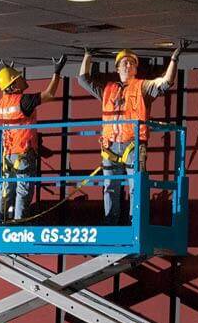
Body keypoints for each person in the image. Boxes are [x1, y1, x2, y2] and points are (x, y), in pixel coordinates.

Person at [77, 43, 184, 224]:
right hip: (110, 147)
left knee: (136, 187)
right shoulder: (108, 90)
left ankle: (136, 225)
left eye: (132, 63)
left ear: (136, 68)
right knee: (110, 187)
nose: (128, 65)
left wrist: (174, 59)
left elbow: (166, 82)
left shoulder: (143, 87)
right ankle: (111, 225)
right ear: (117, 68)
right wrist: (87, 56)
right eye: (125, 63)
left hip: (133, 145)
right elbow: (83, 80)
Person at [0, 54, 66, 222]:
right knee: (23, 191)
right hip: (23, 154)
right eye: (17, 78)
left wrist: (8, 71)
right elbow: (49, 94)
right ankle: (19, 223)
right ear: (12, 86)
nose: (22, 78)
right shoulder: (24, 101)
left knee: (7, 189)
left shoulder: (2, 102)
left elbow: (5, 89)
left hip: (8, 154)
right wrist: (57, 72)